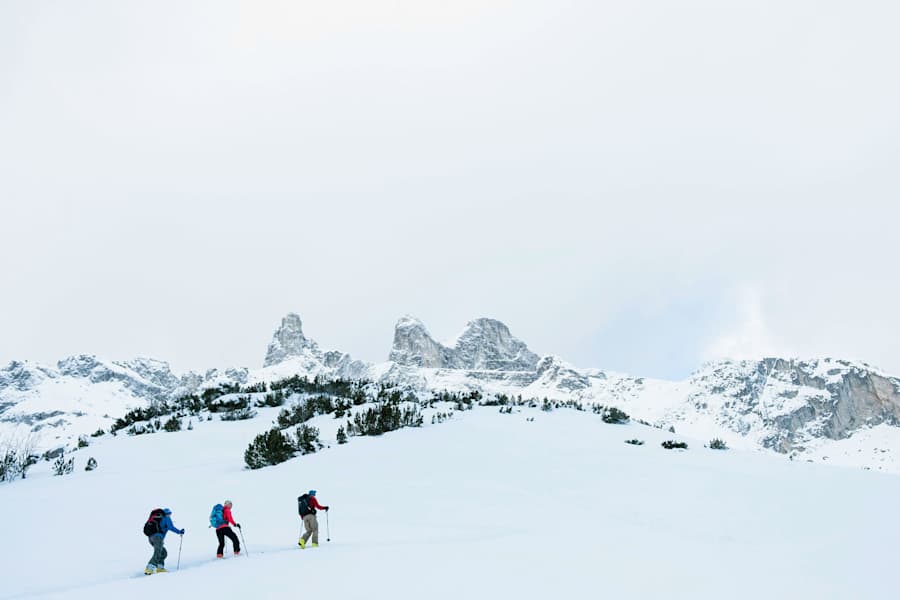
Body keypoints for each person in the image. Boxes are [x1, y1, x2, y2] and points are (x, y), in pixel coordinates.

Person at [144, 508, 184, 575]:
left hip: (150, 538)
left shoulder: (157, 518)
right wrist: (179, 532)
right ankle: (150, 568)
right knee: (158, 552)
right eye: (170, 514)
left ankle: (160, 567)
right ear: (168, 513)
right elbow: (171, 527)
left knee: (163, 553)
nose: (170, 515)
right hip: (158, 538)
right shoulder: (166, 517)